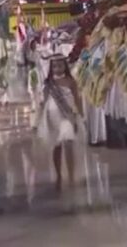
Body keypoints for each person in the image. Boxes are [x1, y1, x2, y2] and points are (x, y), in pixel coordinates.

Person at [36, 54, 84, 190]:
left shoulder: (71, 81)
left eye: (60, 65)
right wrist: (38, 119)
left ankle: (71, 175)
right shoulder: (48, 83)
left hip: (67, 117)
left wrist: (80, 114)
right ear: (51, 67)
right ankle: (58, 175)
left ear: (65, 66)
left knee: (68, 144)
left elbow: (77, 99)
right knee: (57, 147)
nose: (58, 68)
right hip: (52, 117)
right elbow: (43, 102)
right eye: (55, 66)